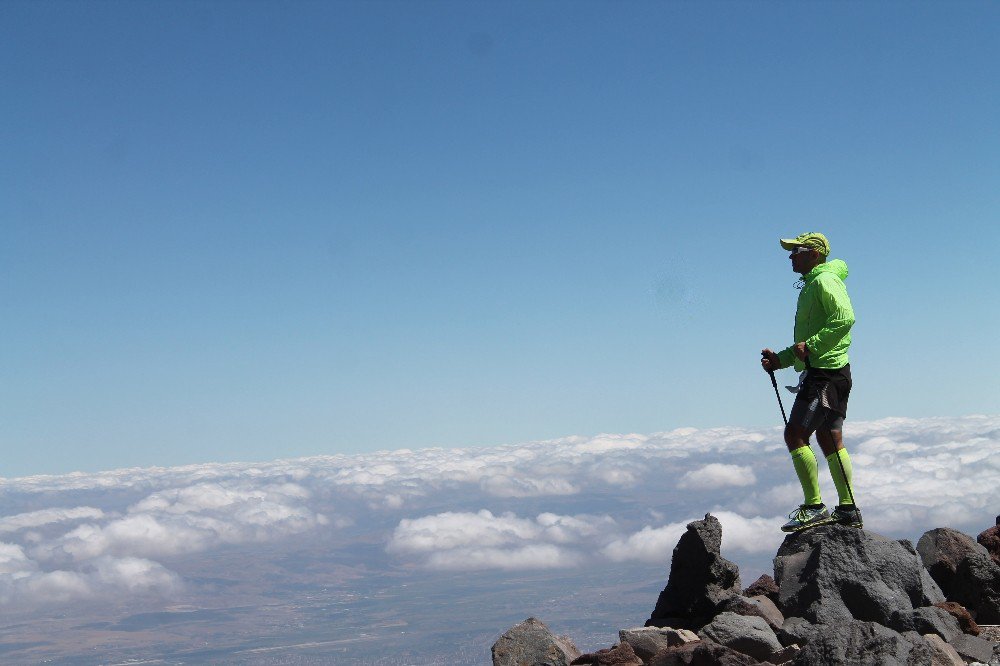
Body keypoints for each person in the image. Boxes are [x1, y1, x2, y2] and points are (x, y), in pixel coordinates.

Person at [760, 232, 863, 532]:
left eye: (797, 250)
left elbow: (844, 318)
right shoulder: (815, 283)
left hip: (824, 375)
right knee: (828, 438)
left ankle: (815, 506)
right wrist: (781, 360)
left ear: (814, 254)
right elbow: (808, 344)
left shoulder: (823, 282)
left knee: (796, 434)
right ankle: (847, 509)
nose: (791, 256)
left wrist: (812, 347)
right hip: (832, 373)